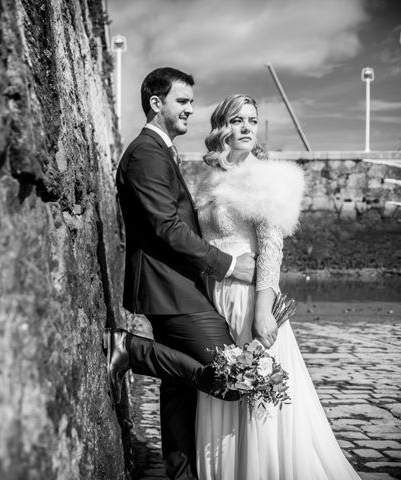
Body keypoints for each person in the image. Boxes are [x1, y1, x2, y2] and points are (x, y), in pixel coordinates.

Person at [194, 94, 360, 480]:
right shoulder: (211, 177)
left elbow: (271, 249)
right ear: (222, 127)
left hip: (249, 299)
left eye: (252, 120)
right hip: (214, 297)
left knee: (254, 392)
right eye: (237, 120)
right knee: (224, 386)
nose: (247, 127)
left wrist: (263, 311)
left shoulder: (266, 178)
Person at [106, 67, 256, 480]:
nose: (192, 109)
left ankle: (182, 474)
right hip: (169, 289)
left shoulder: (162, 151)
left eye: (191, 101)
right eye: (183, 101)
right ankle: (130, 350)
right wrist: (227, 264)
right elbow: (165, 227)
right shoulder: (146, 153)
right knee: (235, 377)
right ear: (157, 103)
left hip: (178, 286)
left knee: (180, 393)